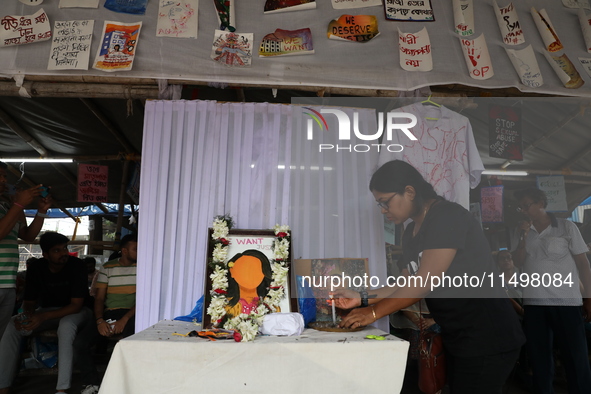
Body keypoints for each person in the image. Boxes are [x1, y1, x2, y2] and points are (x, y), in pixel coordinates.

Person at [333, 160, 525, 394]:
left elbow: (425, 282)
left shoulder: (447, 216)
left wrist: (372, 313)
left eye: (385, 202)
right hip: (458, 335)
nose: (383, 210)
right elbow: (404, 284)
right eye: (379, 204)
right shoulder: (410, 232)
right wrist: (360, 297)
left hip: (487, 334)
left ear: (410, 191)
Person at [512, 188, 591, 394]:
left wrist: (588, 297)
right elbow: (518, 262)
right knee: (539, 360)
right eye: (521, 207)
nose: (523, 210)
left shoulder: (566, 226)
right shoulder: (521, 231)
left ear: (541, 203)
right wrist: (523, 236)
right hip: (534, 304)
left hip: (566, 303)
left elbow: (583, 264)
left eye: (526, 205)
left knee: (575, 357)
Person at [0, 232, 91, 394]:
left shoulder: (77, 265)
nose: (64, 253)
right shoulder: (36, 267)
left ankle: (62, 389)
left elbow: (76, 305)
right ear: (45, 254)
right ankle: (3, 386)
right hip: (47, 312)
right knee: (12, 325)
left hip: (78, 312)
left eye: (65, 248)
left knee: (66, 325)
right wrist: (26, 316)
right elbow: (29, 301)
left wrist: (41, 316)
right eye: (57, 250)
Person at [0, 161, 51, 338]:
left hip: (7, 284)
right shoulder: (12, 208)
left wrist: (41, 211)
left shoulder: (5, 207)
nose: (3, 180)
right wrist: (19, 205)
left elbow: (27, 235)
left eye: (4, 176)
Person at [95, 234, 137, 338]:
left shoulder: (142, 267)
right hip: (111, 312)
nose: (139, 252)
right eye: (136, 249)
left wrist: (124, 320)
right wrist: (100, 321)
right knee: (83, 342)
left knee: (129, 336)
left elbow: (143, 300)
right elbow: (99, 298)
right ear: (124, 251)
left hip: (132, 313)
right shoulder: (108, 267)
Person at [224, 249, 273, 318]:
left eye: (256, 270)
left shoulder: (270, 305)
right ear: (232, 271)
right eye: (244, 269)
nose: (249, 274)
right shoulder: (223, 305)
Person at [495, 250, 524, 317]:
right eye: (502, 258)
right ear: (498, 263)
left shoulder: (522, 278)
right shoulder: (496, 280)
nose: (506, 260)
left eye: (509, 257)